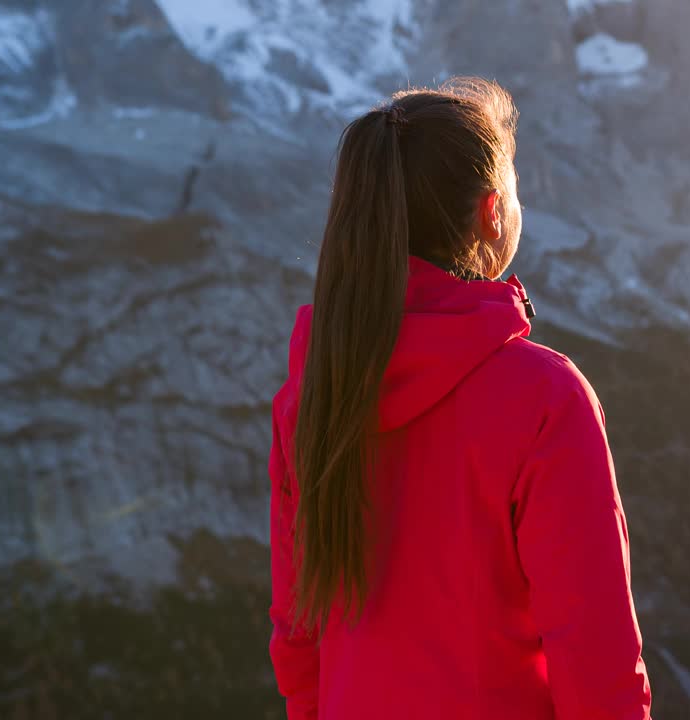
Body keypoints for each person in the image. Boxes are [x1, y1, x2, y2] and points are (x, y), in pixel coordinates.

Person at [267, 77, 652, 719]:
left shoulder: (313, 393)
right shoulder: (546, 398)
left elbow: (297, 634)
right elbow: (596, 657)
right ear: (492, 211)